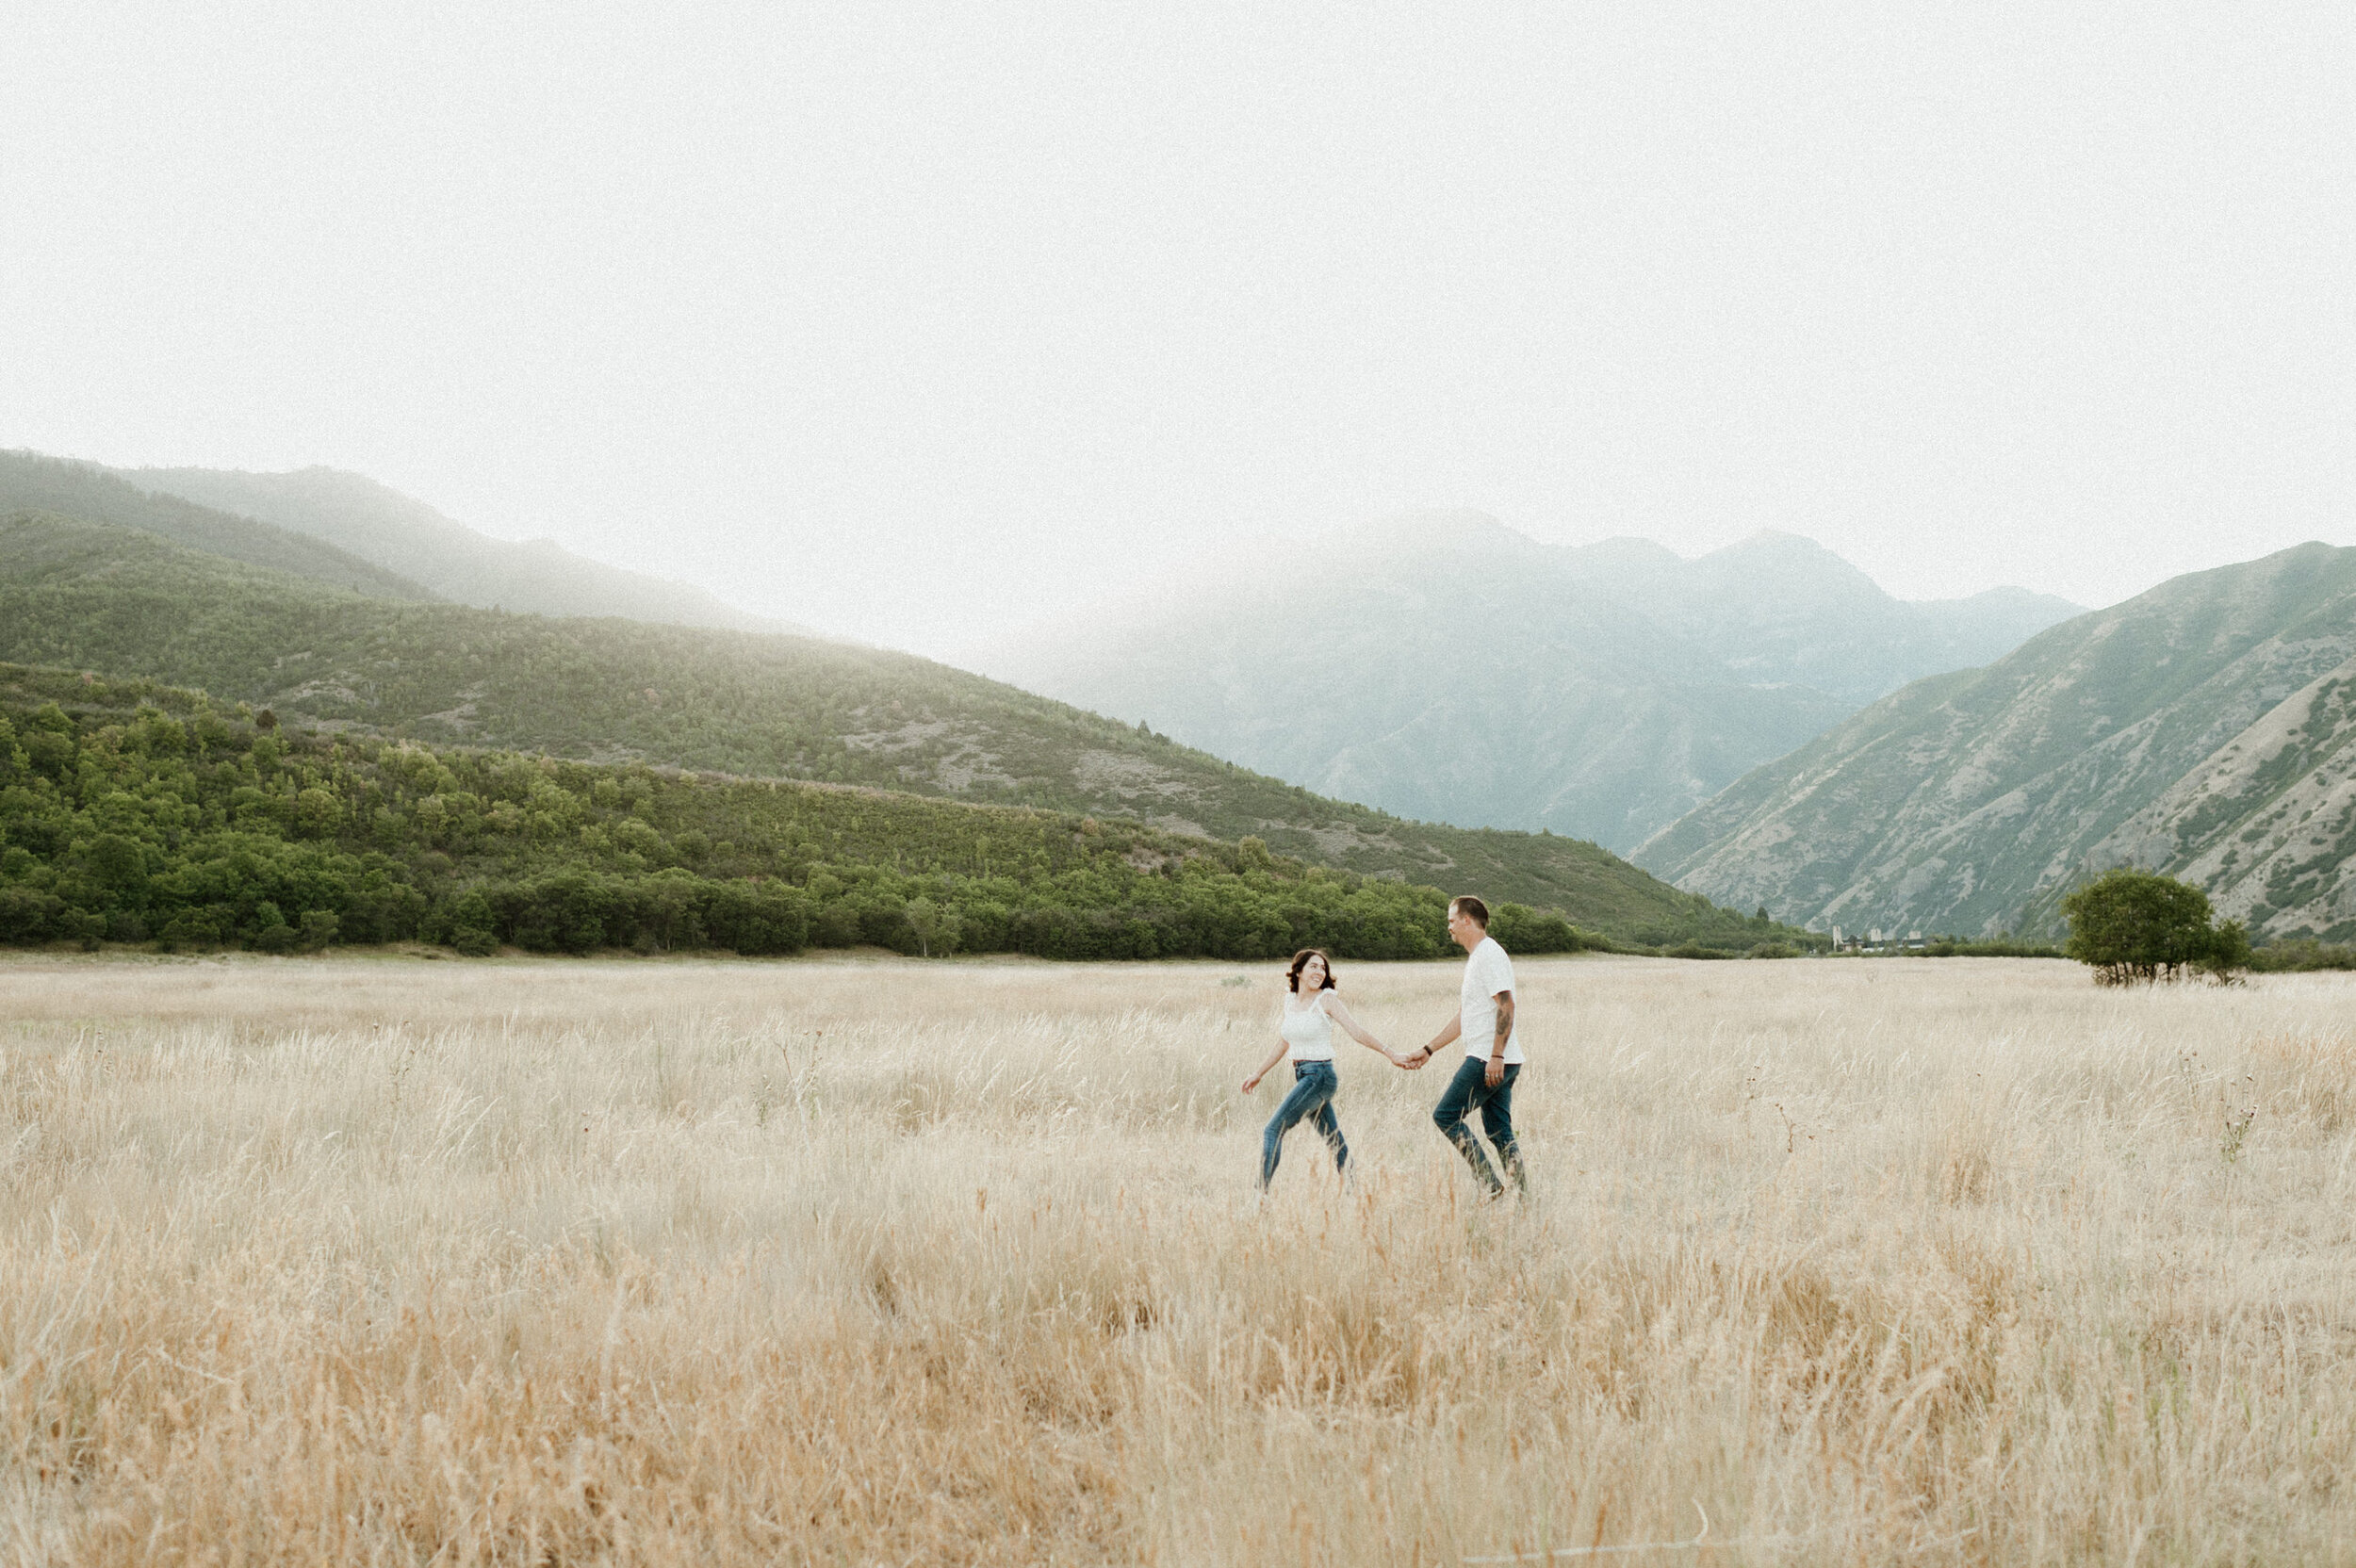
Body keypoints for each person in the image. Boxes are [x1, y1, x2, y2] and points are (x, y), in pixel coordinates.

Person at [1242, 948, 1405, 1189]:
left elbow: (1356, 1031)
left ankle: (1259, 1197)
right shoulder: (1291, 1000)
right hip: (1304, 1076)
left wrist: (1390, 1053)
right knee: (1334, 1139)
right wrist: (1258, 1073)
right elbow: (1285, 1041)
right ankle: (1355, 1192)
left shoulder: (1326, 999)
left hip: (1320, 1076)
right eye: (1313, 966)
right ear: (1299, 971)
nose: (1320, 971)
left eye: (1323, 968)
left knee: (1273, 1130)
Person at [1406, 895, 1526, 1195]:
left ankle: (1492, 1188)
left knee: (1445, 1115)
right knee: (1499, 1131)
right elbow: (1466, 1017)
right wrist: (1429, 1049)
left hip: (1489, 1058)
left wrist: (1495, 1055)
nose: (1449, 927)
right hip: (1499, 1057)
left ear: (1467, 920)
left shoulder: (1489, 954)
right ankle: (1521, 1197)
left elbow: (1507, 1005)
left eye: (1451, 920)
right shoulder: (1479, 958)